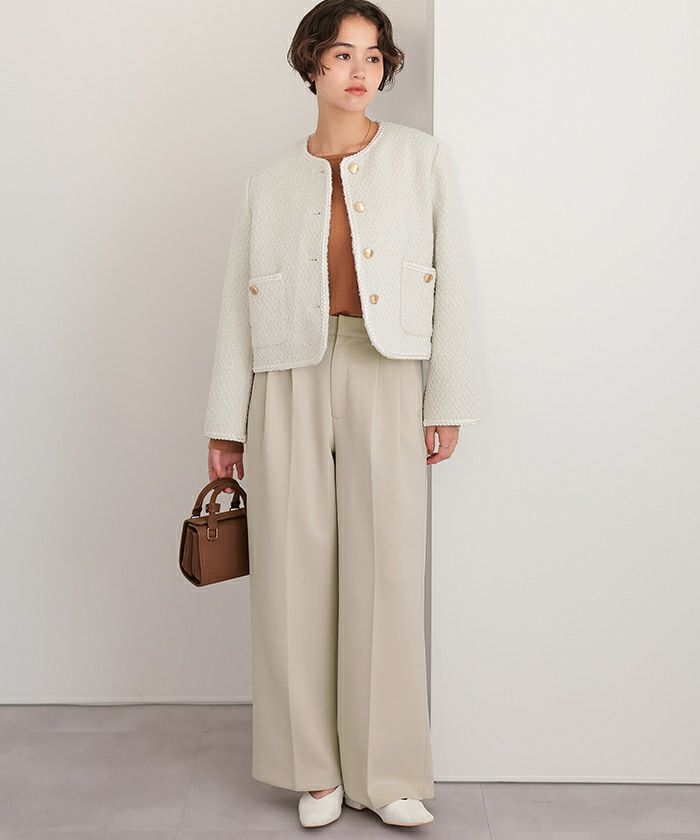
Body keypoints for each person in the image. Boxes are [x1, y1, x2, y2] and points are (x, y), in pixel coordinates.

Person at [203, 0, 480, 828]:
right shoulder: (267, 182)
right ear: (311, 63)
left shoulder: (423, 160)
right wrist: (226, 422)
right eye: (342, 54)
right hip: (286, 376)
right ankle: (312, 771)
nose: (361, 70)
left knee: (387, 568)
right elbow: (236, 306)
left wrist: (448, 397)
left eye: (374, 56)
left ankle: (386, 774)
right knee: (291, 571)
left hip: (385, 369)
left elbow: (457, 281)